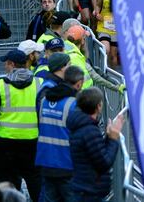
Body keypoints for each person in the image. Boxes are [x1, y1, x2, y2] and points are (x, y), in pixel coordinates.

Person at [0, 49, 41, 202]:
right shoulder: (37, 83)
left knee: (7, 183)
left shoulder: (2, 85)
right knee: (34, 180)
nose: (5, 68)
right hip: (31, 141)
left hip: (5, 143)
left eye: (6, 64)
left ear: (12, 64)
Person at [36, 65, 85, 202]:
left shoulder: (45, 100)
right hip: (67, 164)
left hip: (46, 161)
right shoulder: (74, 104)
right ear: (79, 83)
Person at [67, 87, 124, 202]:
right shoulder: (90, 131)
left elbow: (96, 154)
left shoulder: (81, 125)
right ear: (98, 106)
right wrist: (113, 138)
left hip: (83, 187)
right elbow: (104, 162)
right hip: (88, 191)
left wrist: (108, 137)